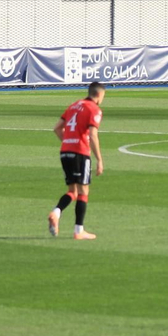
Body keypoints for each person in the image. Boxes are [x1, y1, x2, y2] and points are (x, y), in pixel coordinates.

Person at [49, 81, 105, 241]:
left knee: (72, 191)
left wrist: (68, 142)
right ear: (100, 95)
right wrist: (99, 159)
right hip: (80, 153)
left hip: (65, 151)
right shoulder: (94, 109)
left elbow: (57, 128)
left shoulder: (73, 106)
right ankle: (78, 230)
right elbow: (93, 135)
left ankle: (56, 212)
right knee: (83, 191)